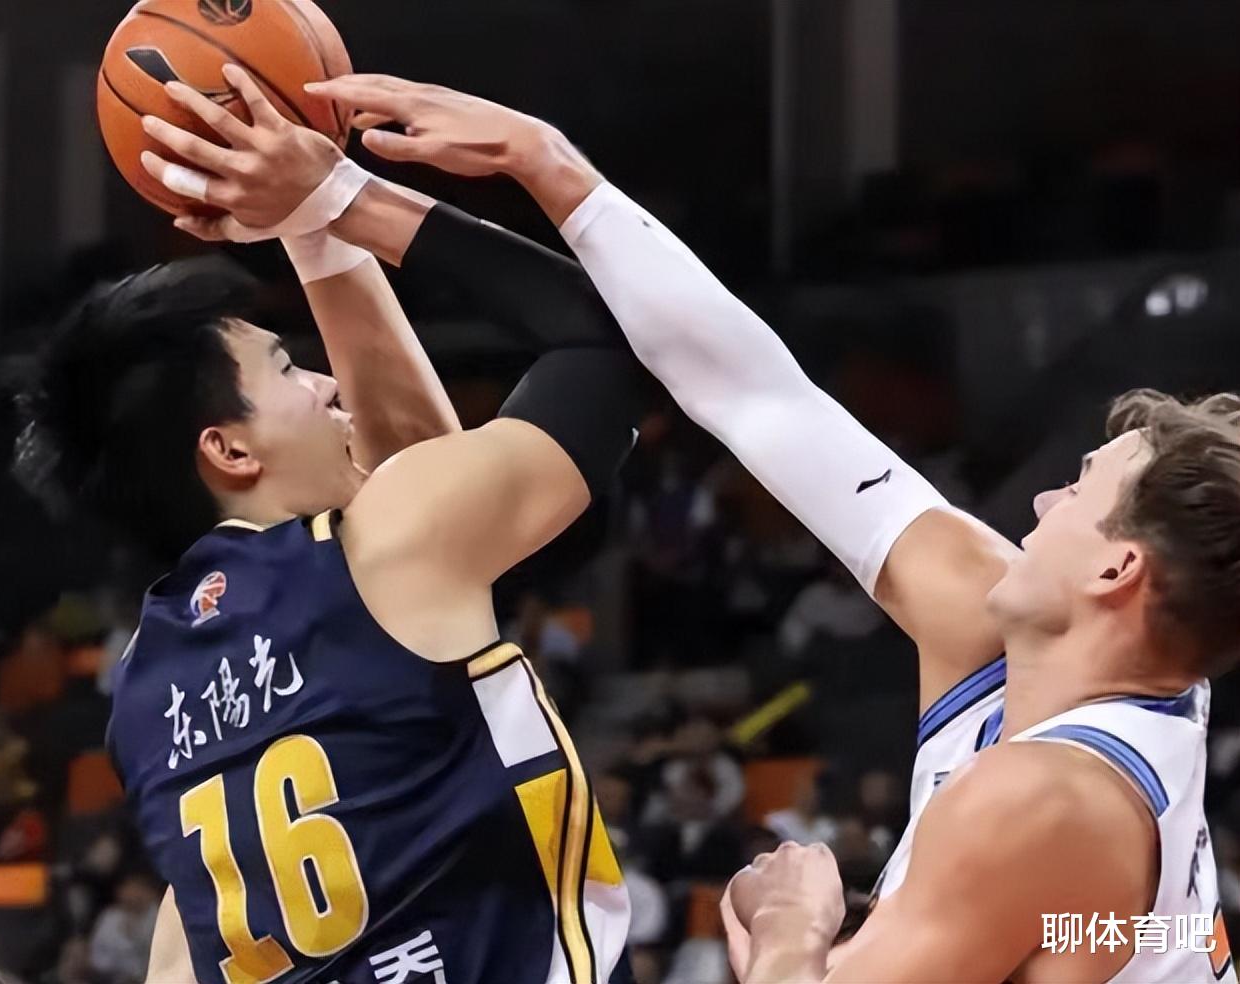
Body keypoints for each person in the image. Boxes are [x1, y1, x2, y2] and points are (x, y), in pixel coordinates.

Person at [304, 73, 1239, 982]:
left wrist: (798, 927)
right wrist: (535, 164)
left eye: (1076, 490)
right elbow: (758, 394)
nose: (1039, 504)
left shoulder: (1049, 800)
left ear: (1117, 569)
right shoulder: (1025, 653)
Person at [17, 66, 653, 984]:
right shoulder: (381, 554)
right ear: (229, 450)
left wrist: (312, 234)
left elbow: (420, 487)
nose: (323, 383)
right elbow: (607, 335)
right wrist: (343, 198)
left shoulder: (144, 698)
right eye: (286, 369)